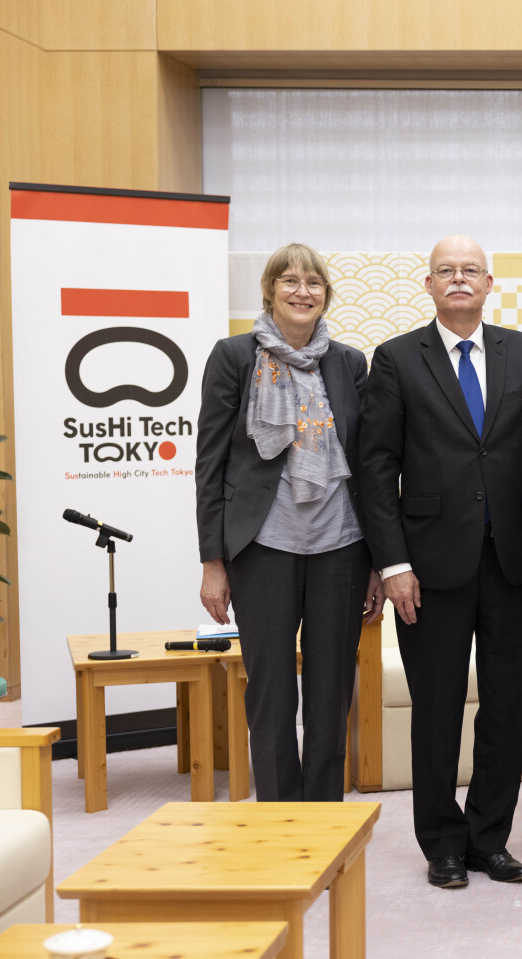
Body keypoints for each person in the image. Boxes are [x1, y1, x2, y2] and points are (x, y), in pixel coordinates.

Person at [359, 235, 522, 889]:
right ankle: (442, 841)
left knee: (504, 708)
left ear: (491, 283)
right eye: (448, 270)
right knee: (437, 707)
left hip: (510, 561)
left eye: (471, 270)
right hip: (428, 567)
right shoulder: (394, 359)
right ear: (429, 284)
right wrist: (392, 565)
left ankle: (489, 837)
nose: (460, 279)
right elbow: (376, 467)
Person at [195, 241, 384, 803]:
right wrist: (212, 562)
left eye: (314, 283)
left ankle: (324, 816)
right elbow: (210, 463)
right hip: (263, 547)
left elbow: (370, 467)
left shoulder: (349, 362)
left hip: (342, 547)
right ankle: (278, 816)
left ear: (326, 295)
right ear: (270, 290)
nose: (303, 292)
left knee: (330, 691)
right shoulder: (234, 357)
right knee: (272, 693)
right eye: (290, 281)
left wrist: (378, 560)